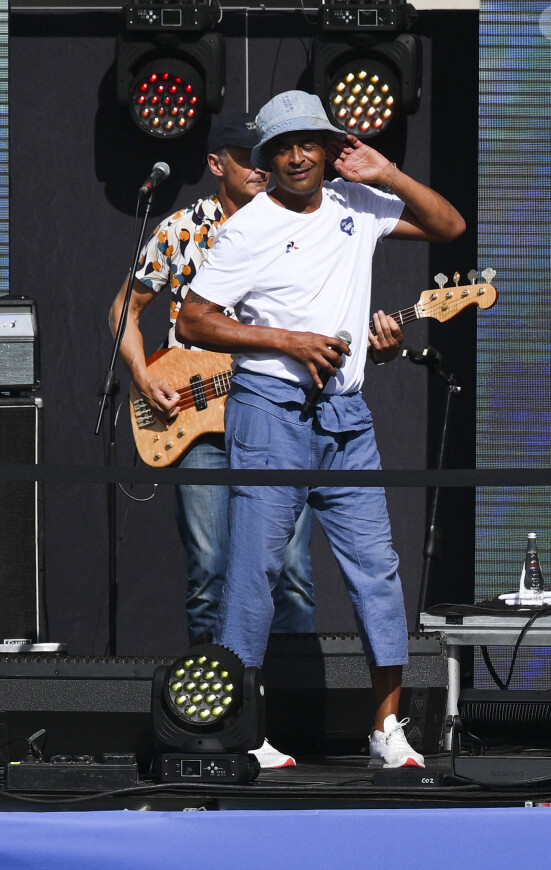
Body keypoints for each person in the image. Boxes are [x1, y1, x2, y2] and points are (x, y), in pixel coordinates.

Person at [175, 91, 466, 768]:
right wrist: (287, 341)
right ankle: (244, 728)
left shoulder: (356, 205)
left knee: (377, 572)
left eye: (309, 142)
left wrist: (387, 173)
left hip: (345, 418)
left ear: (329, 147)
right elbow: (193, 320)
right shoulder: (247, 228)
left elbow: (449, 226)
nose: (298, 156)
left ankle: (386, 730)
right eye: (283, 146)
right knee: (254, 574)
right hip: (268, 410)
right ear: (267, 158)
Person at [109, 112, 316, 769]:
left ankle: (283, 725)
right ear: (216, 163)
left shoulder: (298, 229)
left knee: (290, 578)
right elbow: (124, 307)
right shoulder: (182, 228)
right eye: (244, 156)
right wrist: (144, 378)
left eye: (266, 155)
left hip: (278, 420)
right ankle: (220, 725)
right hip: (196, 420)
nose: (261, 166)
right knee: (210, 575)